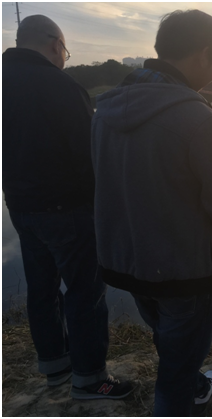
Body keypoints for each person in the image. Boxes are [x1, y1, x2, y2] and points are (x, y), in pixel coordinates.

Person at [91, 9, 212, 417]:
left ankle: (192, 383)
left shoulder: (104, 111)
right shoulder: (198, 116)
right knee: (177, 366)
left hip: (127, 260)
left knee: (167, 335)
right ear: (204, 54)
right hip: (182, 268)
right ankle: (182, 393)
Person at [3, 15, 132, 399]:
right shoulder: (60, 85)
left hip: (20, 207)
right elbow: (89, 153)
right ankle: (90, 378)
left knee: (41, 288)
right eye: (65, 50)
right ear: (55, 44)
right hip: (67, 208)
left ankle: (55, 365)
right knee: (84, 291)